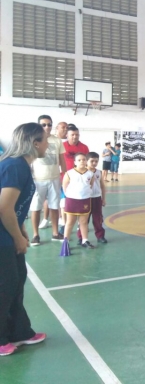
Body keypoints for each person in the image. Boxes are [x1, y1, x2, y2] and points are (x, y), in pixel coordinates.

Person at [0, 123, 49, 356]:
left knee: (17, 280)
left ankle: (19, 332)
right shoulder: (15, 166)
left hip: (9, 232)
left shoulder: (22, 166)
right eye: (45, 140)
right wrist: (17, 237)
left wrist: (20, 226)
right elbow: (4, 208)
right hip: (3, 237)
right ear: (35, 143)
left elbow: (14, 206)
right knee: (6, 286)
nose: (48, 144)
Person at [30, 115, 67, 246]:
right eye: (44, 124)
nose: (47, 127)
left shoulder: (57, 141)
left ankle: (55, 233)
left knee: (54, 206)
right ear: (39, 125)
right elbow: (29, 158)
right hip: (37, 180)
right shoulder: (33, 140)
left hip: (54, 178)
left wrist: (65, 175)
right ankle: (35, 235)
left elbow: (62, 160)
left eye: (49, 124)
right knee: (36, 207)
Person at [62, 153, 95, 249]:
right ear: (75, 162)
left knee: (83, 221)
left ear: (86, 161)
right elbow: (64, 185)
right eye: (79, 160)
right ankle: (66, 241)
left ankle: (85, 240)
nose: (82, 161)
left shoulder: (90, 174)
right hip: (72, 200)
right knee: (70, 221)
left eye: (84, 159)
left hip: (85, 200)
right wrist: (70, 195)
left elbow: (91, 185)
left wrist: (86, 193)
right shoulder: (69, 173)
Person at [76, 152, 107, 245]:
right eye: (92, 161)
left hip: (97, 198)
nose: (94, 163)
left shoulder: (99, 172)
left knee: (98, 218)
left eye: (96, 161)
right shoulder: (83, 173)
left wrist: (103, 198)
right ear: (86, 161)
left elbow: (102, 186)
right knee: (84, 219)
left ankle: (100, 236)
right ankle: (81, 237)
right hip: (86, 198)